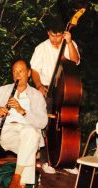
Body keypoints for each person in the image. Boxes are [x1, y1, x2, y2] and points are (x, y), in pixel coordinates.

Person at [0, 58, 48, 188]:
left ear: (29, 73)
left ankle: (18, 180)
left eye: (21, 71)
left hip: (27, 133)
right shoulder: (3, 91)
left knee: (30, 134)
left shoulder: (36, 95)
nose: (17, 75)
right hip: (7, 132)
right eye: (14, 71)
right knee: (30, 142)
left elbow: (42, 122)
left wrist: (22, 111)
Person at [30, 19, 80, 174]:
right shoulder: (41, 48)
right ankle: (47, 160)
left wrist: (70, 43)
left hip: (65, 90)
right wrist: (39, 86)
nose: (56, 39)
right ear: (48, 33)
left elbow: (76, 60)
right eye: (52, 36)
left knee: (69, 122)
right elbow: (34, 70)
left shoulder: (69, 44)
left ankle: (67, 160)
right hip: (48, 89)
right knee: (47, 125)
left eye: (58, 36)